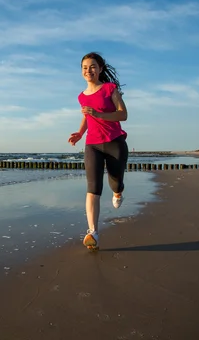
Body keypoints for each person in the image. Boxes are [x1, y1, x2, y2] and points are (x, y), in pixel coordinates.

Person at [68, 52, 129, 251]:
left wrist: (100, 114)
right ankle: (93, 232)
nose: (89, 70)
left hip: (114, 142)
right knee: (93, 187)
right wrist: (79, 132)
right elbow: (88, 116)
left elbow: (123, 114)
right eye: (85, 67)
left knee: (115, 182)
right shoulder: (81, 96)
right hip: (92, 144)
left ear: (100, 68)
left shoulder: (110, 89)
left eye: (93, 66)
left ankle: (118, 192)